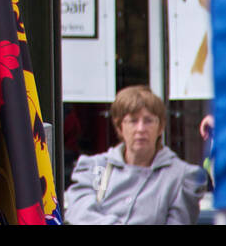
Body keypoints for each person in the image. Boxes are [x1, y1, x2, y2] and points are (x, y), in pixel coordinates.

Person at [64, 85, 206, 224]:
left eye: (148, 121)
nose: (140, 129)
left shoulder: (183, 177)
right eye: (133, 121)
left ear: (161, 127)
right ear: (120, 127)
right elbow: (78, 215)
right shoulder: (92, 168)